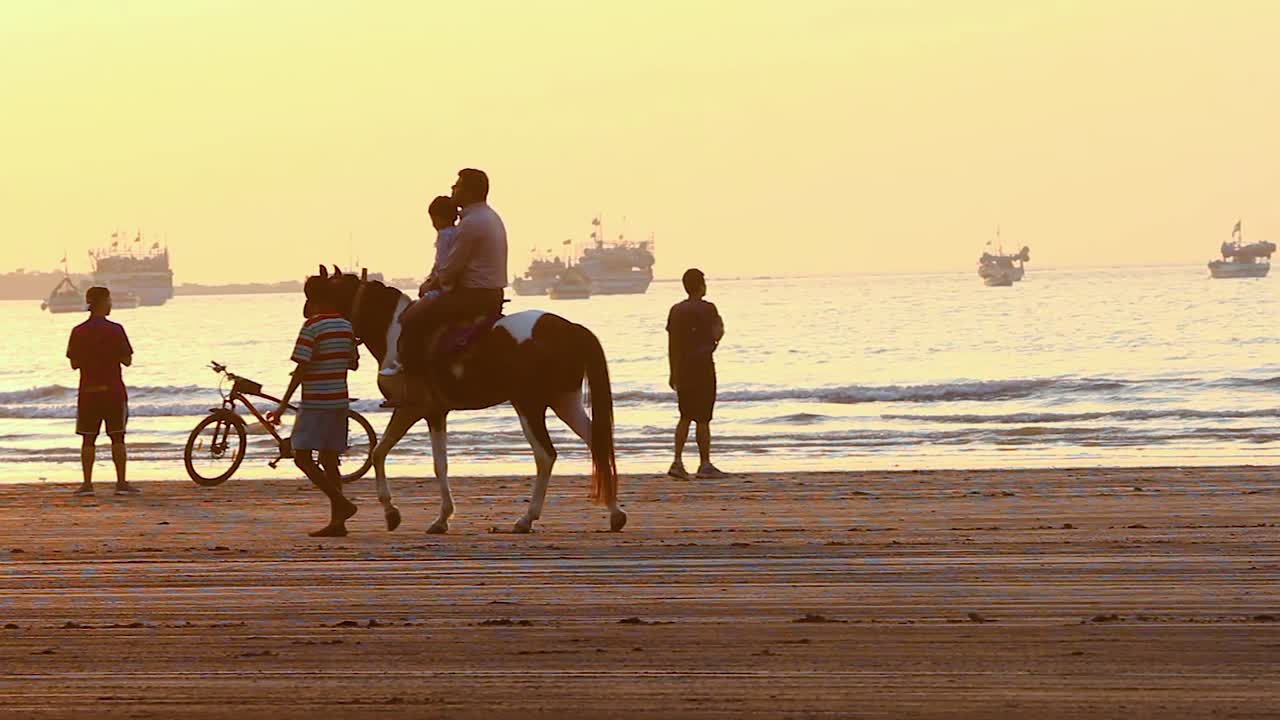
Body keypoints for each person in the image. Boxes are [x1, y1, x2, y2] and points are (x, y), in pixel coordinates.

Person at [273, 276, 361, 536]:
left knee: (302, 457)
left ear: (311, 298)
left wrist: (282, 406)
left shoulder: (312, 327)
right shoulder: (346, 326)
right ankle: (338, 524)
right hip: (339, 400)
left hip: (315, 401)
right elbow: (352, 364)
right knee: (330, 459)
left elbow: (301, 368)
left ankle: (342, 505)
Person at [396, 168, 508, 372]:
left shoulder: (470, 224)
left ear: (469, 193)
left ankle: (414, 381)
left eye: (457, 186)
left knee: (410, 320)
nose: (452, 190)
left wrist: (429, 285)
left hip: (472, 296)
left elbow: (450, 271)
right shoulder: (491, 217)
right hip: (494, 294)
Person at [66, 286, 139, 496]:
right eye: (109, 300)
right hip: (113, 391)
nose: (111, 304)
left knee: (88, 438)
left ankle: (87, 484)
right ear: (103, 302)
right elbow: (127, 360)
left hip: (88, 391)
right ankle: (121, 483)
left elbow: (74, 364)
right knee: (117, 437)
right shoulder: (116, 329)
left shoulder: (78, 331)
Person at [666, 268, 726, 480]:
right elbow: (716, 333)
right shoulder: (708, 309)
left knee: (685, 416)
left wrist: (673, 372)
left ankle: (677, 461)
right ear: (700, 285)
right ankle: (704, 463)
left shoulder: (676, 310)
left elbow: (672, 344)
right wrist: (718, 335)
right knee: (703, 418)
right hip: (702, 366)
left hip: (683, 368)